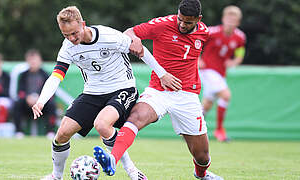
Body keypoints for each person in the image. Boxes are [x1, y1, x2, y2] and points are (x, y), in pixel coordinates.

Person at [31, 6, 181, 180]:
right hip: (92, 93)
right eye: (66, 35)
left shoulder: (109, 36)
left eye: (74, 33)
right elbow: (56, 76)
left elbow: (140, 50)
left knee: (102, 125)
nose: (72, 39)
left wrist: (162, 74)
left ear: (83, 24)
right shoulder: (67, 48)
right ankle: (56, 176)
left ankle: (133, 172)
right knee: (62, 134)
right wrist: (41, 101)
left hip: (122, 88)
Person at [93, 0, 223, 179]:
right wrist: (135, 40)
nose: (182, 25)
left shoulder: (204, 32)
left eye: (188, 22)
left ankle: (202, 174)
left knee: (202, 155)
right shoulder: (162, 25)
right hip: (158, 91)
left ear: (198, 19)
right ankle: (112, 160)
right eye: (180, 19)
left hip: (187, 96)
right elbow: (129, 32)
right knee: (136, 117)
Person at [199, 5, 246, 142]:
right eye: (228, 18)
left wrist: (235, 62)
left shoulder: (240, 37)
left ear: (238, 22)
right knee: (226, 95)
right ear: (223, 19)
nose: (231, 21)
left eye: (234, 19)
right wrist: (197, 59)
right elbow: (196, 43)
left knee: (207, 103)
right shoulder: (212, 32)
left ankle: (192, 131)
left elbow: (239, 54)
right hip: (207, 70)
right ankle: (219, 130)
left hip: (220, 73)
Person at [13, 49, 57, 139]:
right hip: (27, 105)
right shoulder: (23, 75)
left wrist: (40, 100)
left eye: (35, 60)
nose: (33, 63)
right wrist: (27, 98)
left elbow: (51, 92)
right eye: (31, 60)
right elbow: (20, 92)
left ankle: (50, 132)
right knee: (17, 104)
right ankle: (18, 132)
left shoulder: (45, 75)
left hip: (41, 105)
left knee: (52, 105)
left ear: (40, 61)